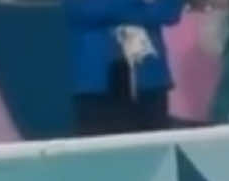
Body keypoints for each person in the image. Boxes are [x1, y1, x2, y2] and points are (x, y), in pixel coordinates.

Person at [65, 0, 185, 134]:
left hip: (148, 78)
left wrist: (124, 11)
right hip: (97, 82)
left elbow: (168, 12)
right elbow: (87, 9)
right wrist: (141, 8)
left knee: (153, 145)